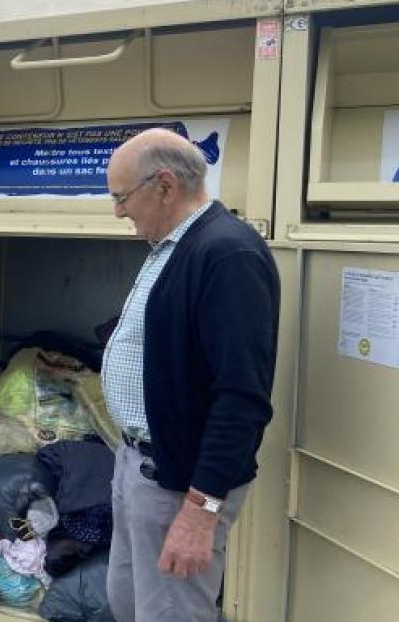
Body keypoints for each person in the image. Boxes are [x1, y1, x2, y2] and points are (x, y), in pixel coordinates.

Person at [101, 128, 279, 622]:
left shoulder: (227, 255)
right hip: (139, 463)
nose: (118, 211)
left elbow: (242, 397)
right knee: (128, 601)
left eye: (121, 197)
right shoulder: (173, 246)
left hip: (178, 484)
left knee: (171, 613)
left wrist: (200, 512)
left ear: (163, 185)